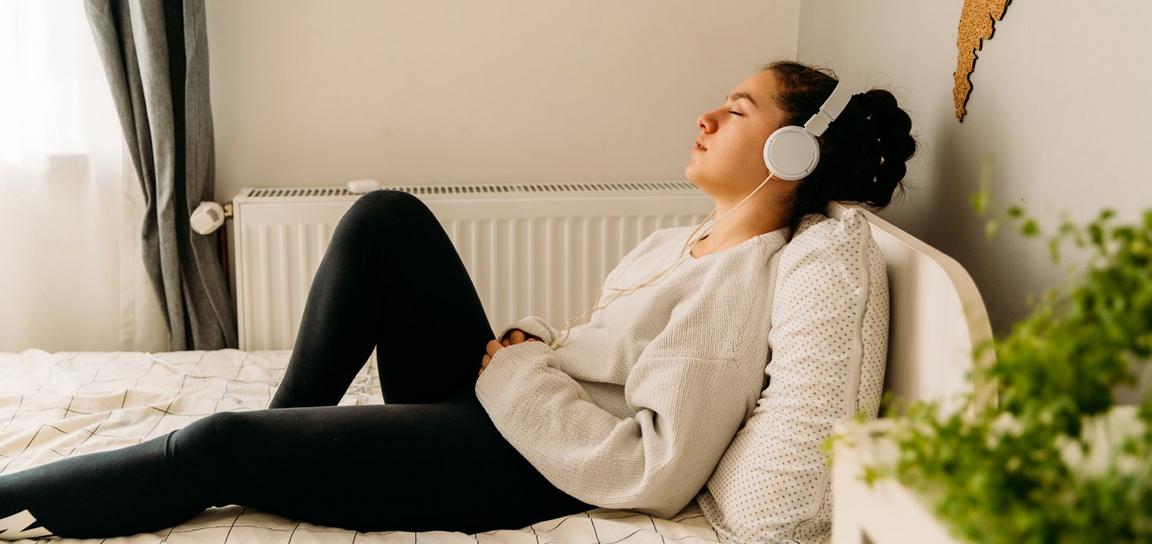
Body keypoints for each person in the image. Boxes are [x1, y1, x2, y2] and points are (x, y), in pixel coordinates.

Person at [0, 59, 915, 540]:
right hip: (513, 417)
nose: (708, 117)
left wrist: (519, 369)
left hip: (527, 466)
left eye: (740, 110)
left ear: (791, 154)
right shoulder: (682, 242)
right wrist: (536, 346)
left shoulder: (748, 280)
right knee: (384, 219)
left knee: (216, 444)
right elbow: (604, 357)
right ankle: (293, 436)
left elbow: (657, 466)